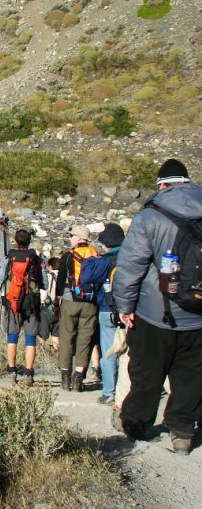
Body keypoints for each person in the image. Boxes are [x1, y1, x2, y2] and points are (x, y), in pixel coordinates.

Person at [112, 159, 202, 455]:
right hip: (199, 315)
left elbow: (131, 265)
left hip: (156, 312)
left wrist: (125, 305)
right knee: (192, 375)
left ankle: (136, 424)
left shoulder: (151, 215)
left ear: (162, 185)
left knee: (146, 372)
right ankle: (183, 432)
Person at [0, 229, 45, 387]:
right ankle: (28, 374)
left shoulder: (9, 258)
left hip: (13, 301)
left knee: (12, 336)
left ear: (16, 242)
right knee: (30, 338)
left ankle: (12, 371)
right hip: (31, 302)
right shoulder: (35, 258)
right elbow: (43, 282)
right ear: (29, 242)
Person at [55, 224, 98, 392]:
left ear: (79, 238)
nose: (69, 238)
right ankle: (79, 378)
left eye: (71, 236)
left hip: (69, 300)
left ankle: (65, 378)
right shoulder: (96, 254)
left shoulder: (68, 256)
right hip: (90, 302)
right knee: (85, 339)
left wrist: (57, 299)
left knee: (67, 337)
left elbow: (61, 280)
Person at [95, 223, 125, 406]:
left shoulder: (103, 261)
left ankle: (109, 392)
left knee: (108, 351)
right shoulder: (132, 257)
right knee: (129, 353)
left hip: (107, 307)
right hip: (130, 309)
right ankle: (128, 390)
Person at [39, 257, 60, 353]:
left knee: (43, 335)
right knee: (56, 334)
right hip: (60, 309)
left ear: (51, 266)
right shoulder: (64, 276)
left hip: (47, 308)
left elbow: (43, 294)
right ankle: (57, 353)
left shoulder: (48, 276)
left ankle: (44, 354)